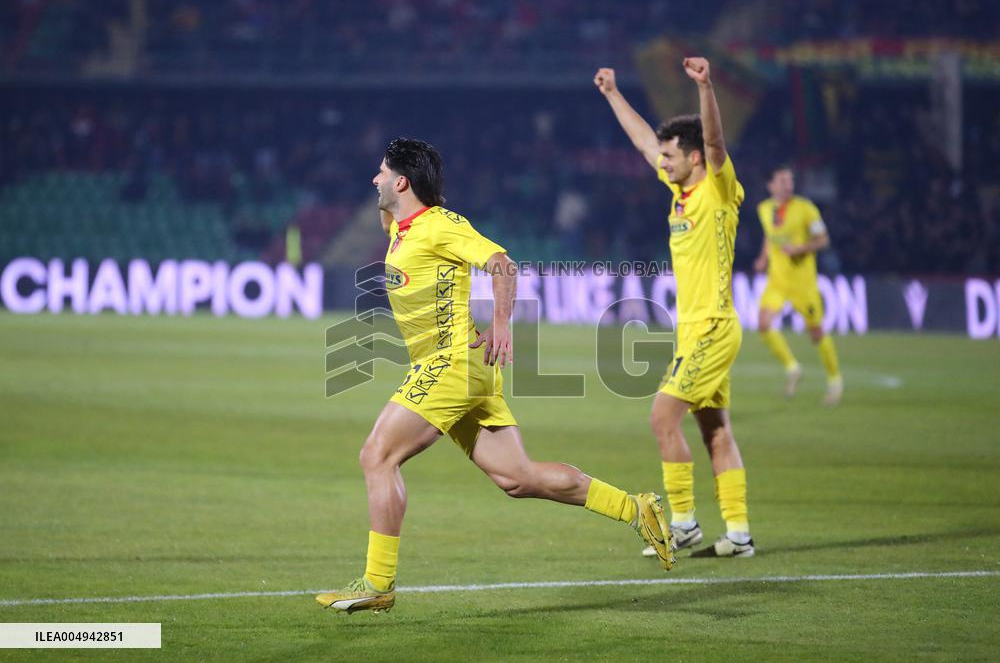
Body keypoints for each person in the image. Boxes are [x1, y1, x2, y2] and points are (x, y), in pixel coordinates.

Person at [316, 138, 675, 615]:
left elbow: (503, 264)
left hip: (452, 363)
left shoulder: (441, 226)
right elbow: (392, 209)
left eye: (381, 172)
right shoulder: (400, 227)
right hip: (459, 368)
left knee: (376, 456)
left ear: (402, 181)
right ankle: (636, 508)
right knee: (517, 478)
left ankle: (378, 583)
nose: (374, 179)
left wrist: (502, 321)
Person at [595, 59, 753, 558]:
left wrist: (705, 87)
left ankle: (683, 523)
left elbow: (715, 145)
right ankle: (740, 535)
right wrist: (613, 93)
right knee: (715, 429)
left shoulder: (718, 190)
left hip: (712, 327)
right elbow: (645, 141)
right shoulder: (680, 192)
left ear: (693, 158)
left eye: (670, 157)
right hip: (696, 331)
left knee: (662, 418)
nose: (661, 163)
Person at [754, 165, 843, 406]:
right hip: (777, 281)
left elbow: (823, 239)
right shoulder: (764, 209)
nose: (788, 185)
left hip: (803, 283)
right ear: (771, 185)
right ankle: (793, 368)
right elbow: (769, 235)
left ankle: (835, 381)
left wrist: (799, 249)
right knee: (763, 324)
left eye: (790, 180)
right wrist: (763, 257)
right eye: (782, 180)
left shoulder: (806, 209)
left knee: (815, 333)